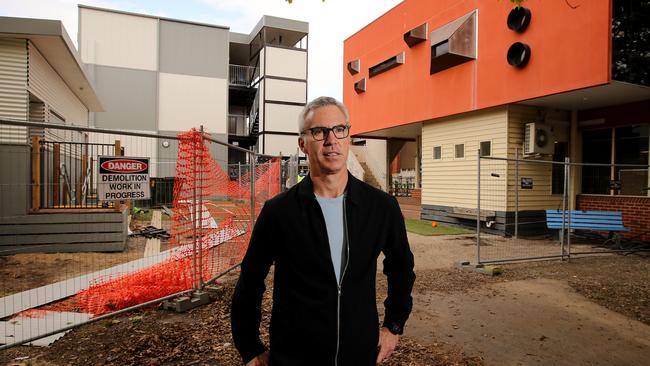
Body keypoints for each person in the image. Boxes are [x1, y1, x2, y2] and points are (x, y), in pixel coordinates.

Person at [231, 96, 415, 366]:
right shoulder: (279, 212)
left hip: (360, 354)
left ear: (348, 136)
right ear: (302, 143)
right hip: (295, 357)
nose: (332, 140)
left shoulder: (381, 207)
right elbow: (250, 280)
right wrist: (249, 347)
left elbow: (401, 268)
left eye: (340, 129)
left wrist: (394, 325)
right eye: (319, 132)